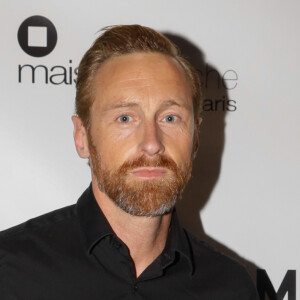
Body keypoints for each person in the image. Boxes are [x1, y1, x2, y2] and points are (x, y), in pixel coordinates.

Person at [0, 25, 259, 299]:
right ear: (82, 137)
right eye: (125, 118)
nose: (152, 143)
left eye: (170, 118)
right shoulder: (9, 272)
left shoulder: (231, 288)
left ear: (195, 137)